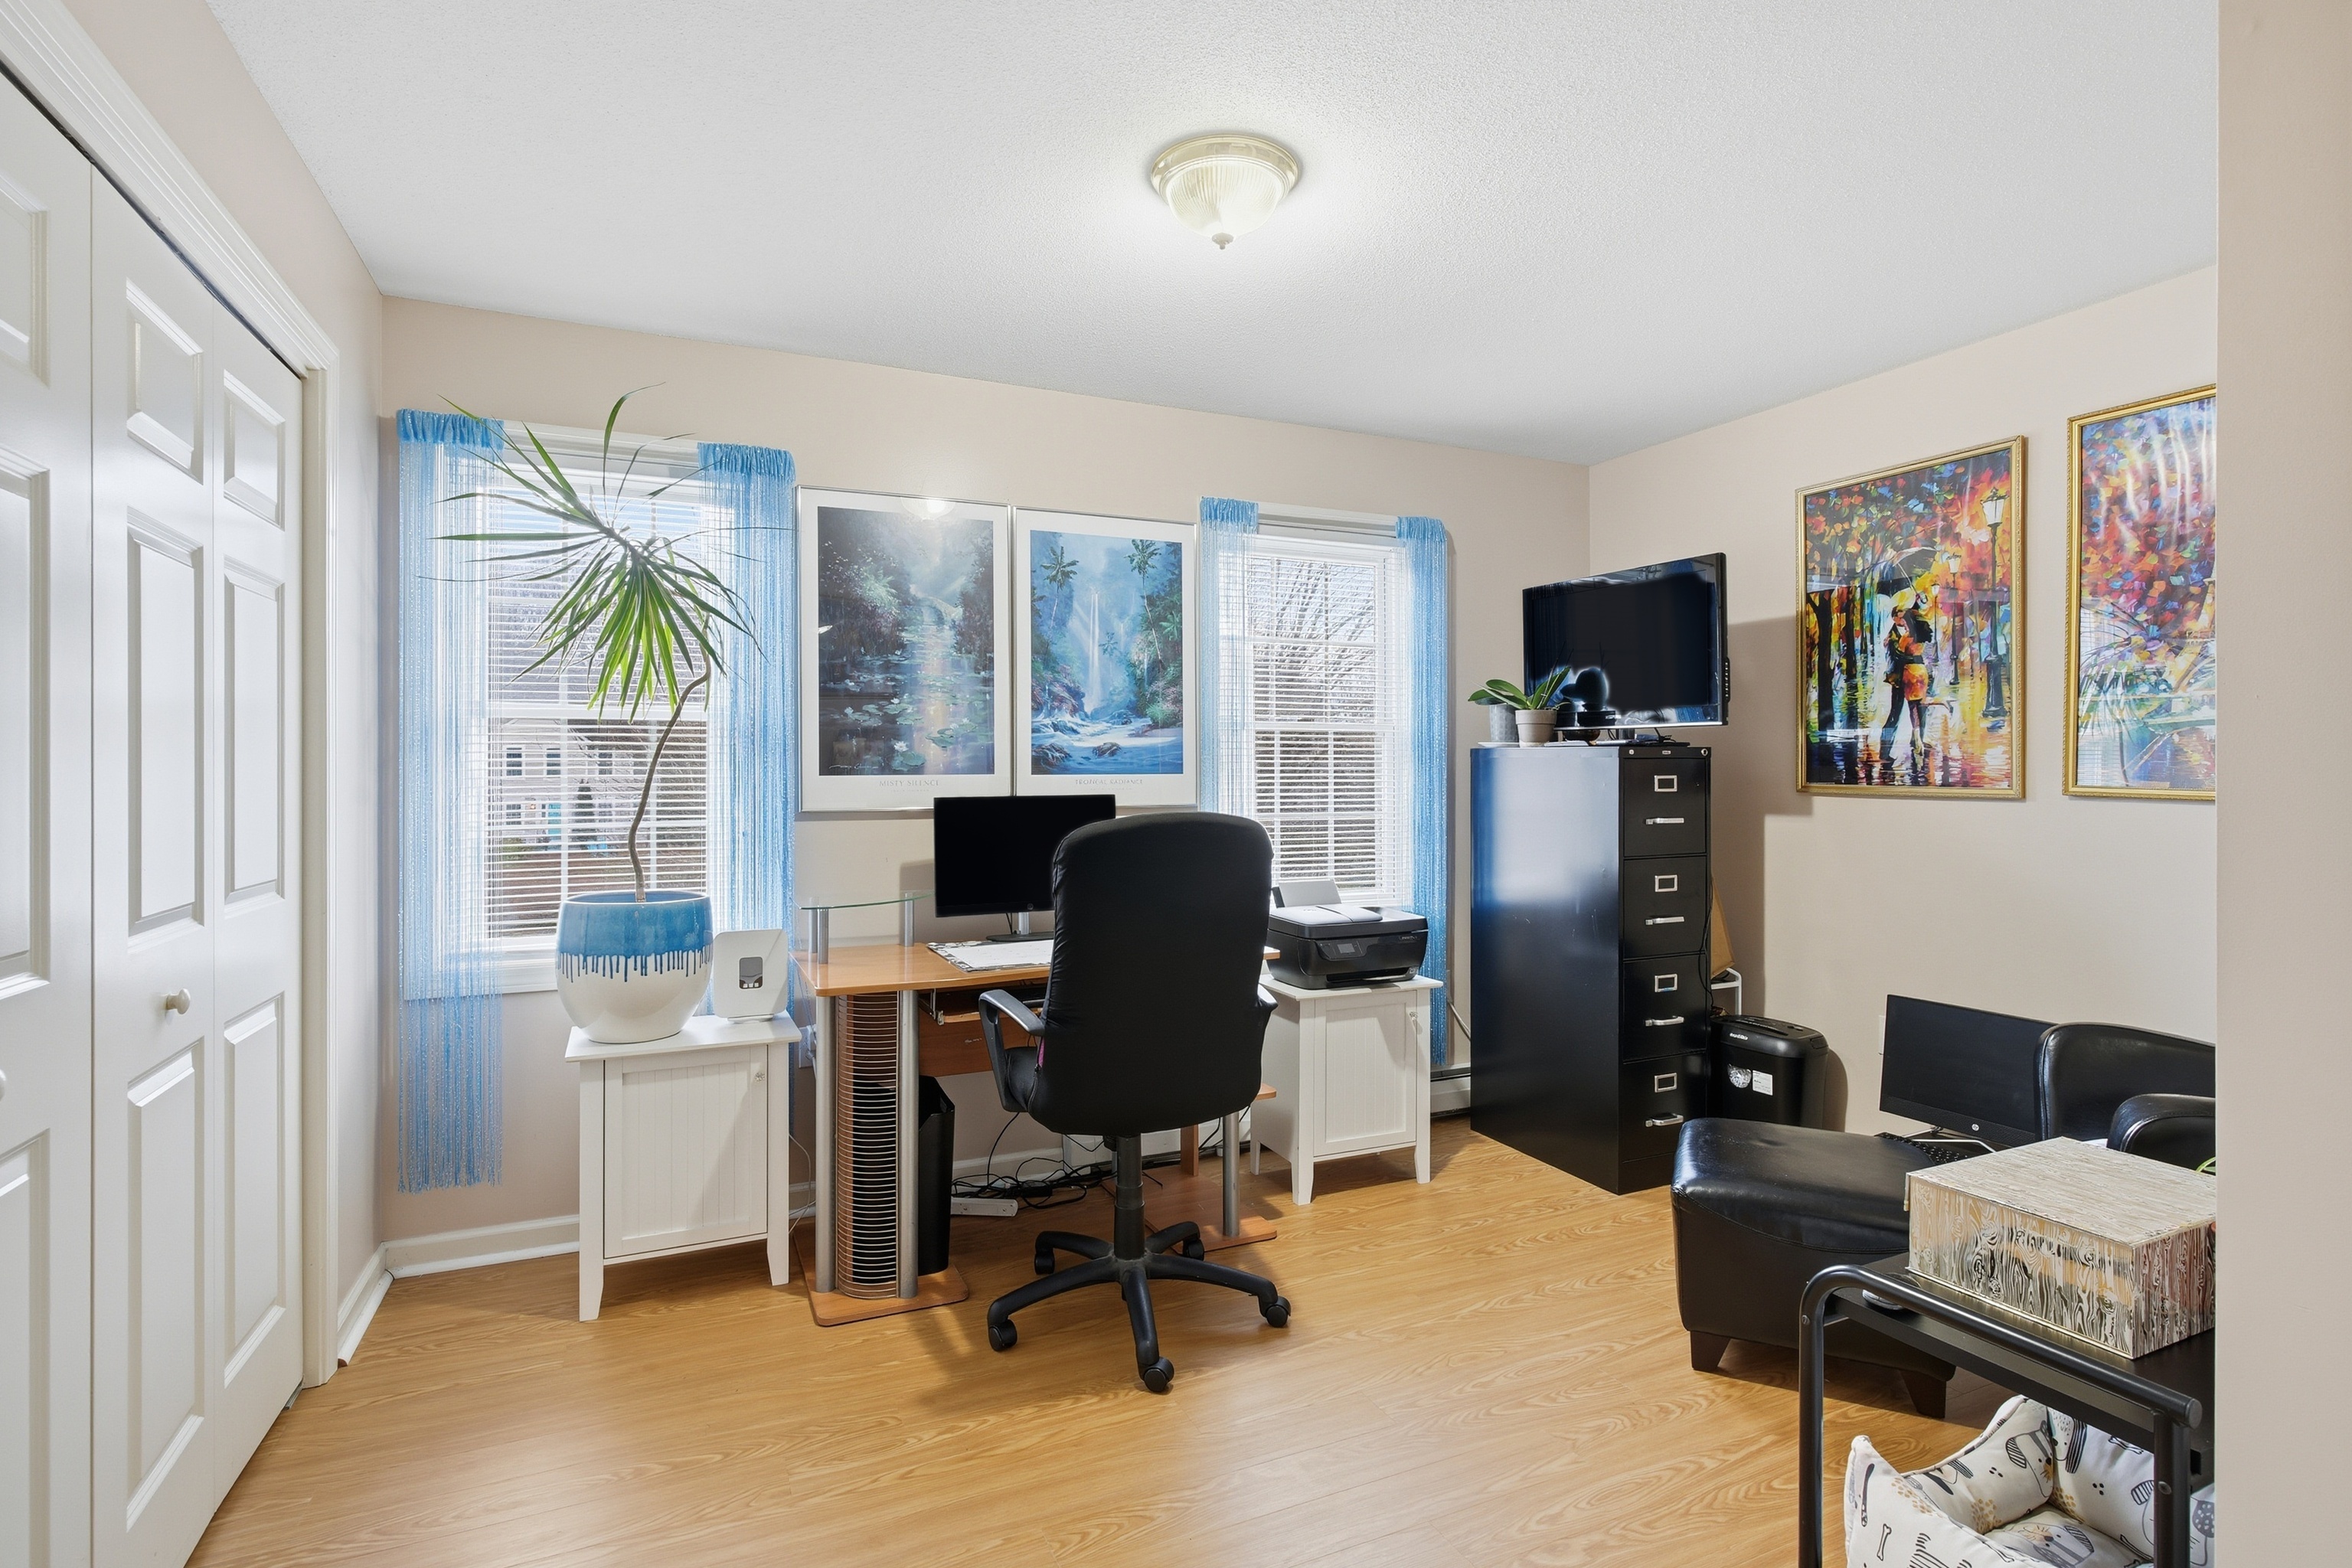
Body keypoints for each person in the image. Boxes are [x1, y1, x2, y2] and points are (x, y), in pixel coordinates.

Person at [1878, 587, 1934, 782]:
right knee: (1895, 714)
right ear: (1895, 618)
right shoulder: (1894, 635)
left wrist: (1920, 600)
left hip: (1913, 675)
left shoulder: (1911, 630)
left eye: (1903, 614)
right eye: (1899, 615)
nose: (1902, 616)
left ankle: (1918, 739)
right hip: (1899, 678)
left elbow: (1915, 613)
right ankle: (1885, 751)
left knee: (1919, 710)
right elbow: (1895, 657)